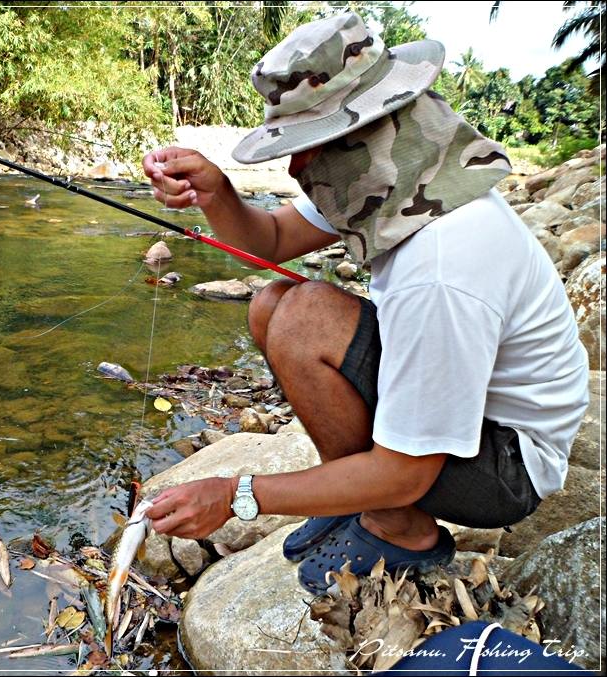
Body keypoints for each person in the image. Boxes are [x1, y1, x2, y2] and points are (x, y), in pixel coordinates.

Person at [140, 12, 590, 593]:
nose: (295, 167)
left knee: (304, 319)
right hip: (471, 416)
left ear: (370, 133)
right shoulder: (396, 175)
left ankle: (396, 527)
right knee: (271, 303)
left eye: (308, 147)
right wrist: (217, 192)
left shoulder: (443, 266)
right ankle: (356, 500)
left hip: (507, 464)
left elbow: (406, 471)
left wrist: (239, 496)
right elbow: (270, 243)